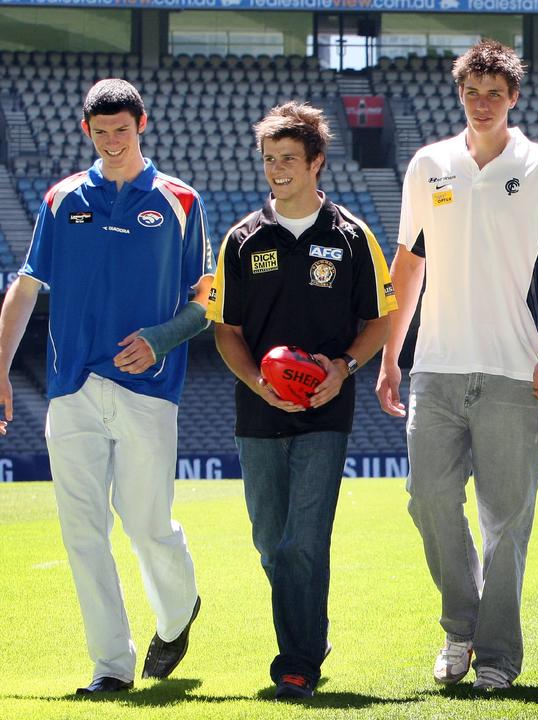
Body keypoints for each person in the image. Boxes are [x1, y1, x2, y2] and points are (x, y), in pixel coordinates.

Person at [376, 39, 538, 691]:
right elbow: (409, 265)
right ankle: (460, 627)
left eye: (495, 93)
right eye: (472, 92)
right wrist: (391, 356)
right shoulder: (428, 164)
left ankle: (495, 656)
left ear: (514, 97)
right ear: (459, 95)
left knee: (506, 521)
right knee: (428, 501)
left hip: (515, 370)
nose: (483, 104)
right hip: (434, 366)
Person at [0, 79, 209, 694]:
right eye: (101, 132)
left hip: (148, 388)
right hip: (71, 386)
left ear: (141, 124)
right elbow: (28, 284)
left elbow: (207, 299)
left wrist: (162, 337)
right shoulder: (62, 198)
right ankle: (111, 666)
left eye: (122, 130)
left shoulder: (181, 201)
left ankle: (178, 613)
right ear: (85, 131)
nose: (113, 142)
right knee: (82, 531)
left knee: (147, 526)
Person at [206, 102, 396, 699]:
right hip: (257, 415)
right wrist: (257, 383)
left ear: (317, 163)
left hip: (326, 413)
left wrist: (344, 369)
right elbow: (226, 330)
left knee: (303, 540)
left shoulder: (353, 236)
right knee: (271, 542)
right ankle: (312, 627)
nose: (277, 169)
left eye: (289, 158)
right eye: (269, 160)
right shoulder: (241, 239)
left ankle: (298, 661)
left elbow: (380, 320)